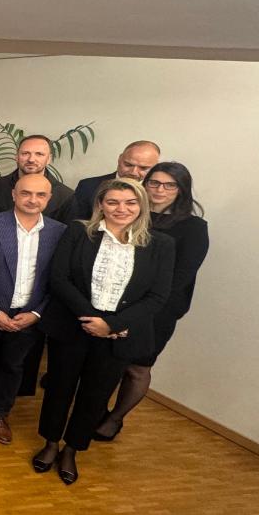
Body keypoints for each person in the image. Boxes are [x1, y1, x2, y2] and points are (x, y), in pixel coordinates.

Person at [34, 178, 174, 485]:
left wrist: (112, 325)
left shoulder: (160, 245)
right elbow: (59, 278)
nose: (121, 209)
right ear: (101, 205)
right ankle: (51, 443)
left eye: (130, 203)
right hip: (73, 325)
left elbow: (157, 296)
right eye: (113, 202)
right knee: (59, 388)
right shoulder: (79, 232)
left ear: (141, 205)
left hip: (116, 335)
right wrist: (92, 319)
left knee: (95, 395)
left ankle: (72, 449)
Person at [94, 162, 208, 440]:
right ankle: (93, 412)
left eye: (170, 185)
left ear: (181, 190)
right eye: (154, 182)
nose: (160, 190)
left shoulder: (193, 227)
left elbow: (181, 276)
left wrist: (142, 308)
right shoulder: (131, 214)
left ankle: (115, 419)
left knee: (137, 367)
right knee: (108, 364)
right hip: (117, 305)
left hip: (158, 310)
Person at [0, 174, 66, 444]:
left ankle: (0, 413)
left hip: (27, 315)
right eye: (26, 193)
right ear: (14, 195)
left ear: (49, 199)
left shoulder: (59, 232)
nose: (32, 200)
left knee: (13, 366)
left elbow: (58, 279)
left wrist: (37, 313)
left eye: (40, 195)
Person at [0, 134, 75, 223]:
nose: (31, 159)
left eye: (39, 154)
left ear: (48, 159)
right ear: (16, 157)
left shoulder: (65, 196)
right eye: (25, 153)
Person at [67, 140, 161, 222]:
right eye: (128, 165)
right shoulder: (88, 186)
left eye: (143, 168)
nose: (133, 172)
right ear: (119, 159)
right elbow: (75, 224)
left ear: (155, 167)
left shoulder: (159, 193)